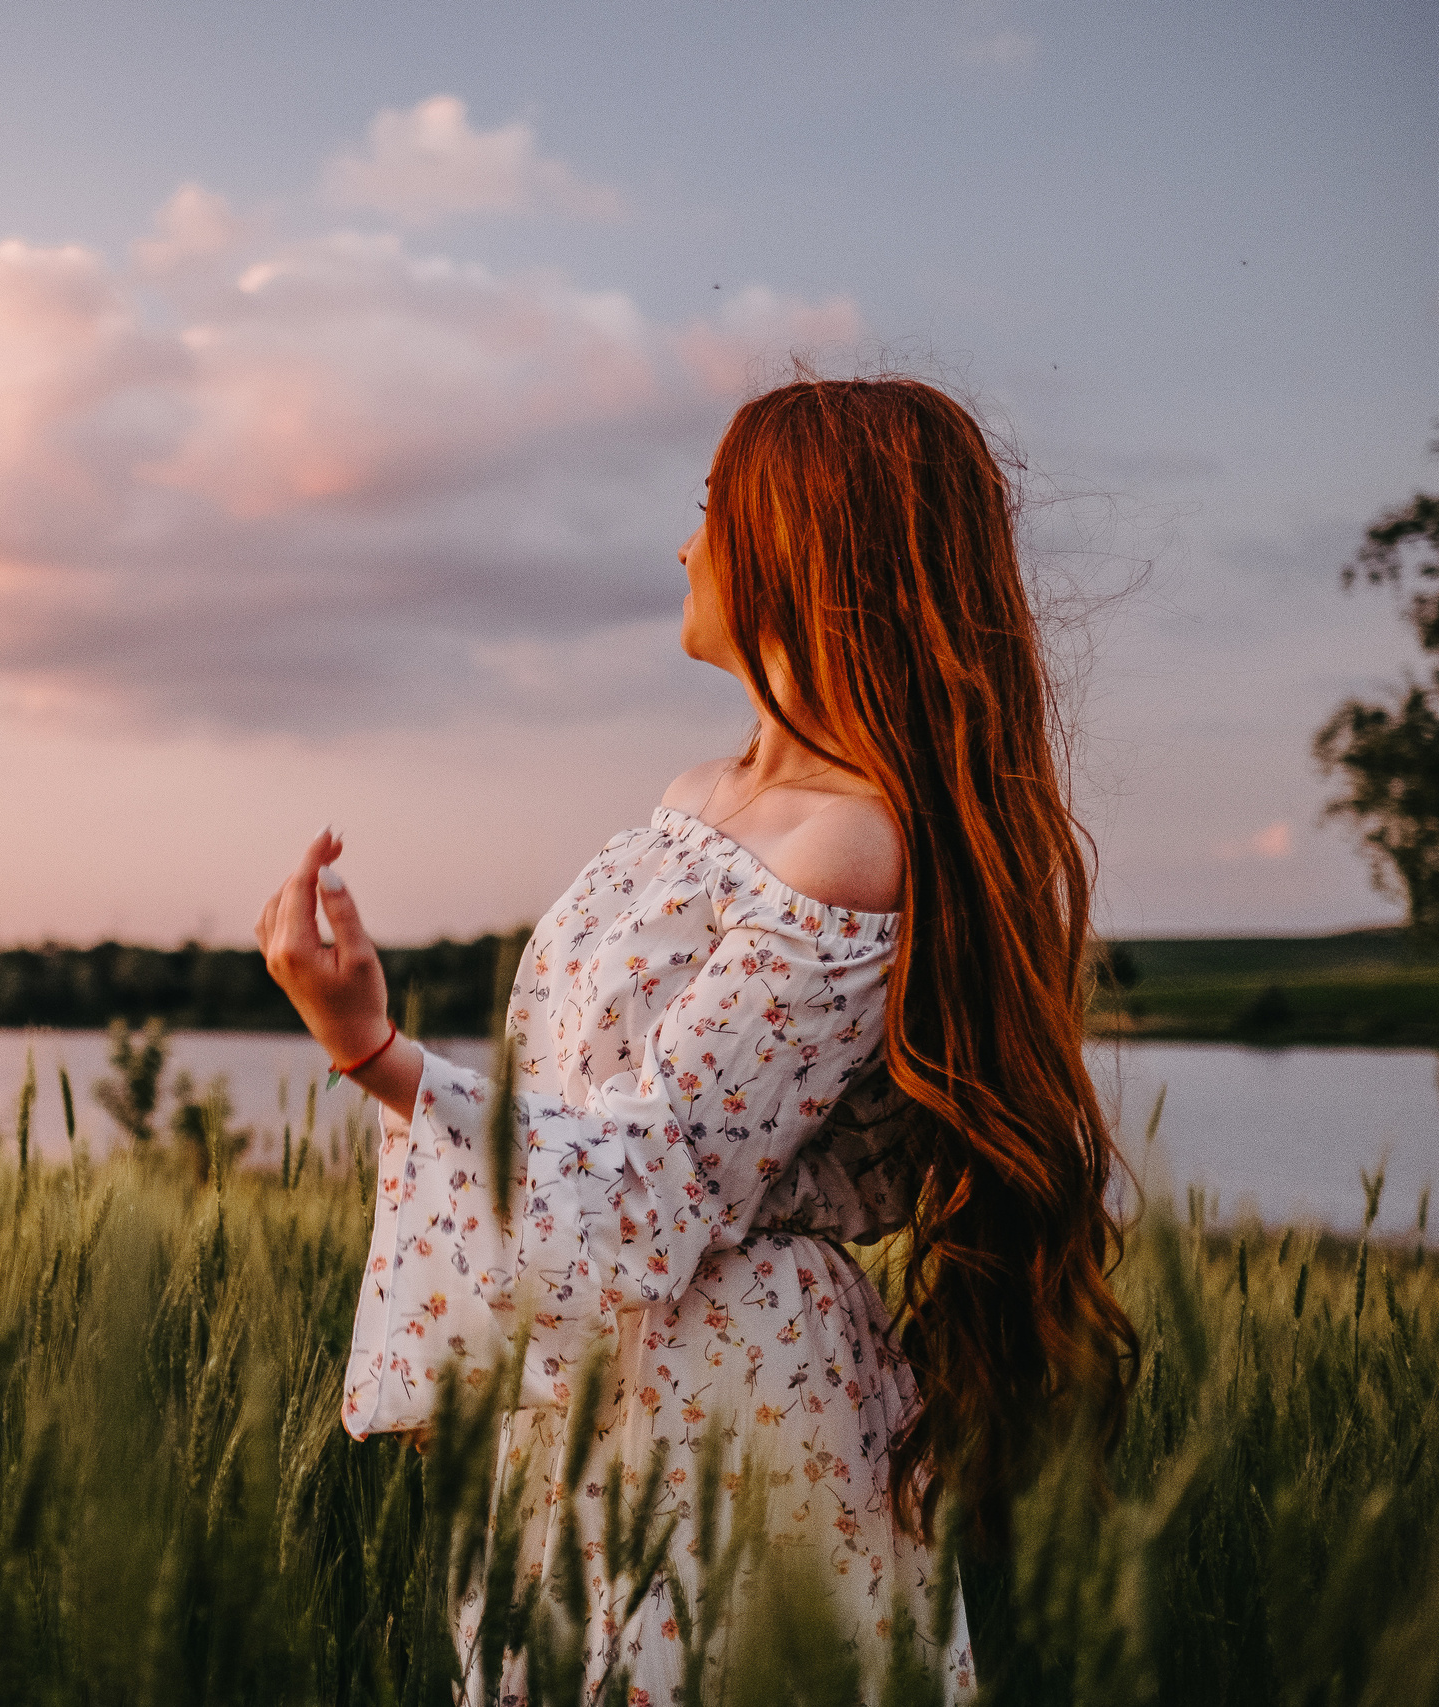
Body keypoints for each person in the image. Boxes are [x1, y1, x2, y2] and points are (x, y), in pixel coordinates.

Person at [256, 376, 1137, 1704]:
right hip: (612, 1391)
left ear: (800, 544)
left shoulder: (848, 849)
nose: (685, 547)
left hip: (729, 1396)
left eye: (714, 510)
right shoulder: (701, 797)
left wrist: (369, 1048)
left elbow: (656, 1176)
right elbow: (579, 1102)